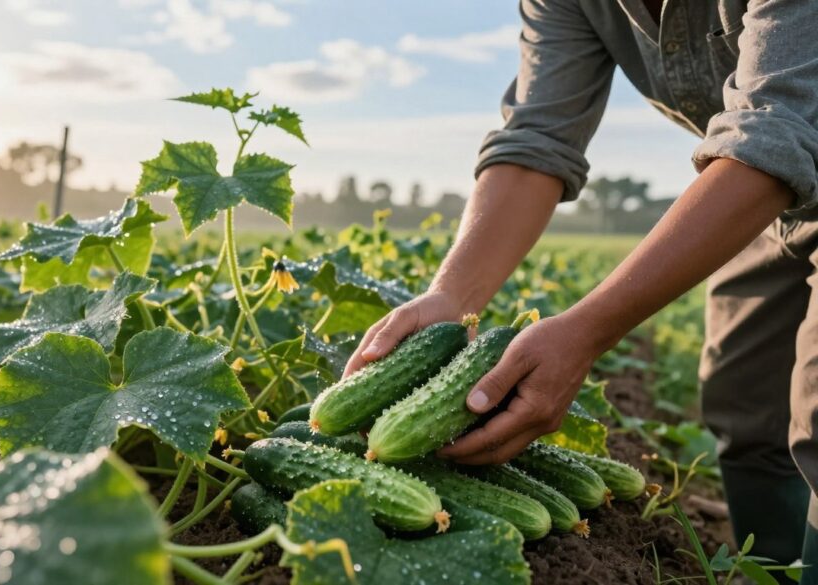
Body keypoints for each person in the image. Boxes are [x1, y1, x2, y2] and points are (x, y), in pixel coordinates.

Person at [343, 0, 817, 579]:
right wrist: (451, 297)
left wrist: (586, 331)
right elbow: (537, 139)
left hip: (769, 167)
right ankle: (774, 567)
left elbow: (775, 130)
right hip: (768, 194)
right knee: (743, 407)